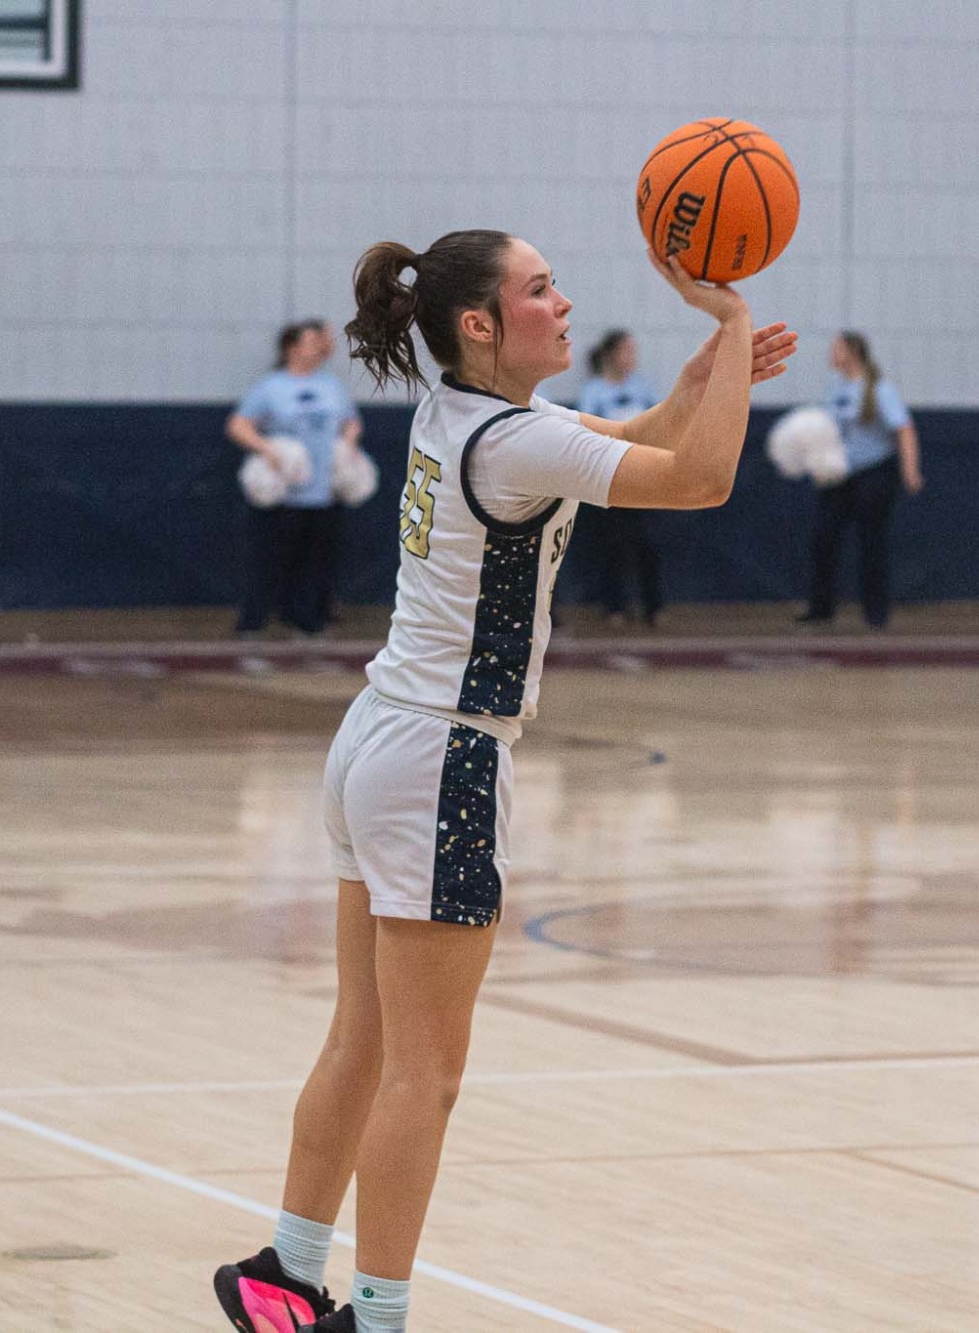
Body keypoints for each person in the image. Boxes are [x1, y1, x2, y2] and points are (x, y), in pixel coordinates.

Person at [211, 230, 796, 1333]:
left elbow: (626, 444)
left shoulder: (462, 413)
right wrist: (725, 320)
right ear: (480, 324)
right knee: (424, 1074)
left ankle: (284, 1270)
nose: (564, 303)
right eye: (539, 289)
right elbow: (703, 479)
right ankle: (376, 1317)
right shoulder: (513, 440)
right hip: (441, 756)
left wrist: (697, 386)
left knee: (362, 1038)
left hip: (378, 737)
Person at [229, 320, 364, 637]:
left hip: (324, 491)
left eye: (319, 342)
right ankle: (255, 621)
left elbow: (351, 422)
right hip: (284, 493)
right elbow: (238, 425)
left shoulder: (331, 386)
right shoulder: (271, 387)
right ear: (291, 348)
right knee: (270, 560)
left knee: (317, 562)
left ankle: (309, 620)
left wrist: (347, 445)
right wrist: (267, 448)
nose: (318, 347)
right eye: (310, 342)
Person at [798, 331, 922, 629]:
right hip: (839, 475)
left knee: (872, 542)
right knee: (823, 538)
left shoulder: (878, 388)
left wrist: (910, 470)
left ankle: (876, 615)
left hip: (873, 473)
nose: (831, 353)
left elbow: (904, 429)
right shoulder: (835, 387)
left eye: (837, 348)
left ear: (852, 352)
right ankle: (821, 609)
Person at [575, 330, 664, 626]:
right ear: (612, 354)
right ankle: (614, 606)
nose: (632, 357)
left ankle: (653, 607)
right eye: (626, 350)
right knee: (612, 546)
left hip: (642, 476)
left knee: (647, 545)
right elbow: (586, 432)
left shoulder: (641, 388)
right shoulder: (594, 392)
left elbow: (658, 424)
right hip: (608, 478)